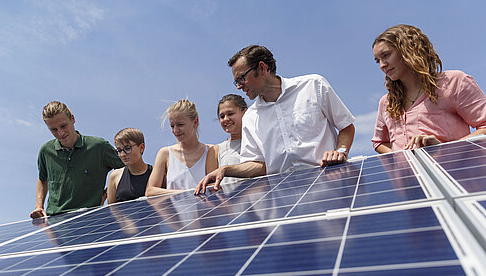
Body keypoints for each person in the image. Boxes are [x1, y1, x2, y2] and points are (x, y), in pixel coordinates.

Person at [195, 45, 355, 194]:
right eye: (236, 81)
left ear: (262, 68)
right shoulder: (250, 117)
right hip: (285, 201)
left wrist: (340, 151)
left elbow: (346, 126)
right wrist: (225, 170)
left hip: (329, 188)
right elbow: (258, 165)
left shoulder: (313, 86)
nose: (239, 86)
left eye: (241, 78)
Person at [372, 24, 486, 153]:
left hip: (453, 172)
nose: (382, 65)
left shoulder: (454, 82)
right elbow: (379, 142)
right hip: (408, 174)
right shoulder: (386, 102)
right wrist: (403, 158)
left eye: (386, 55)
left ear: (407, 50)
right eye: (377, 61)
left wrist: (445, 149)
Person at [30, 101, 123, 219]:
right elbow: (43, 179)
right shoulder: (46, 151)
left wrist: (106, 194)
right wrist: (39, 206)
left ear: (72, 119)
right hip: (55, 221)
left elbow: (124, 169)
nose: (60, 133)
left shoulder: (99, 146)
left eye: (63, 126)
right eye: (54, 129)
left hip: (91, 218)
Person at [146, 99, 218, 196]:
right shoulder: (165, 153)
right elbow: (150, 191)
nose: (176, 130)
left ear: (195, 122)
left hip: (204, 210)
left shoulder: (211, 150)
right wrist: (185, 194)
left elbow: (214, 188)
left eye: (180, 125)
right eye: (172, 126)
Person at [106, 128, 152, 204]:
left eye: (127, 148)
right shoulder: (115, 176)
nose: (122, 154)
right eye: (119, 150)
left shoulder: (156, 174)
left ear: (141, 148)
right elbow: (112, 209)